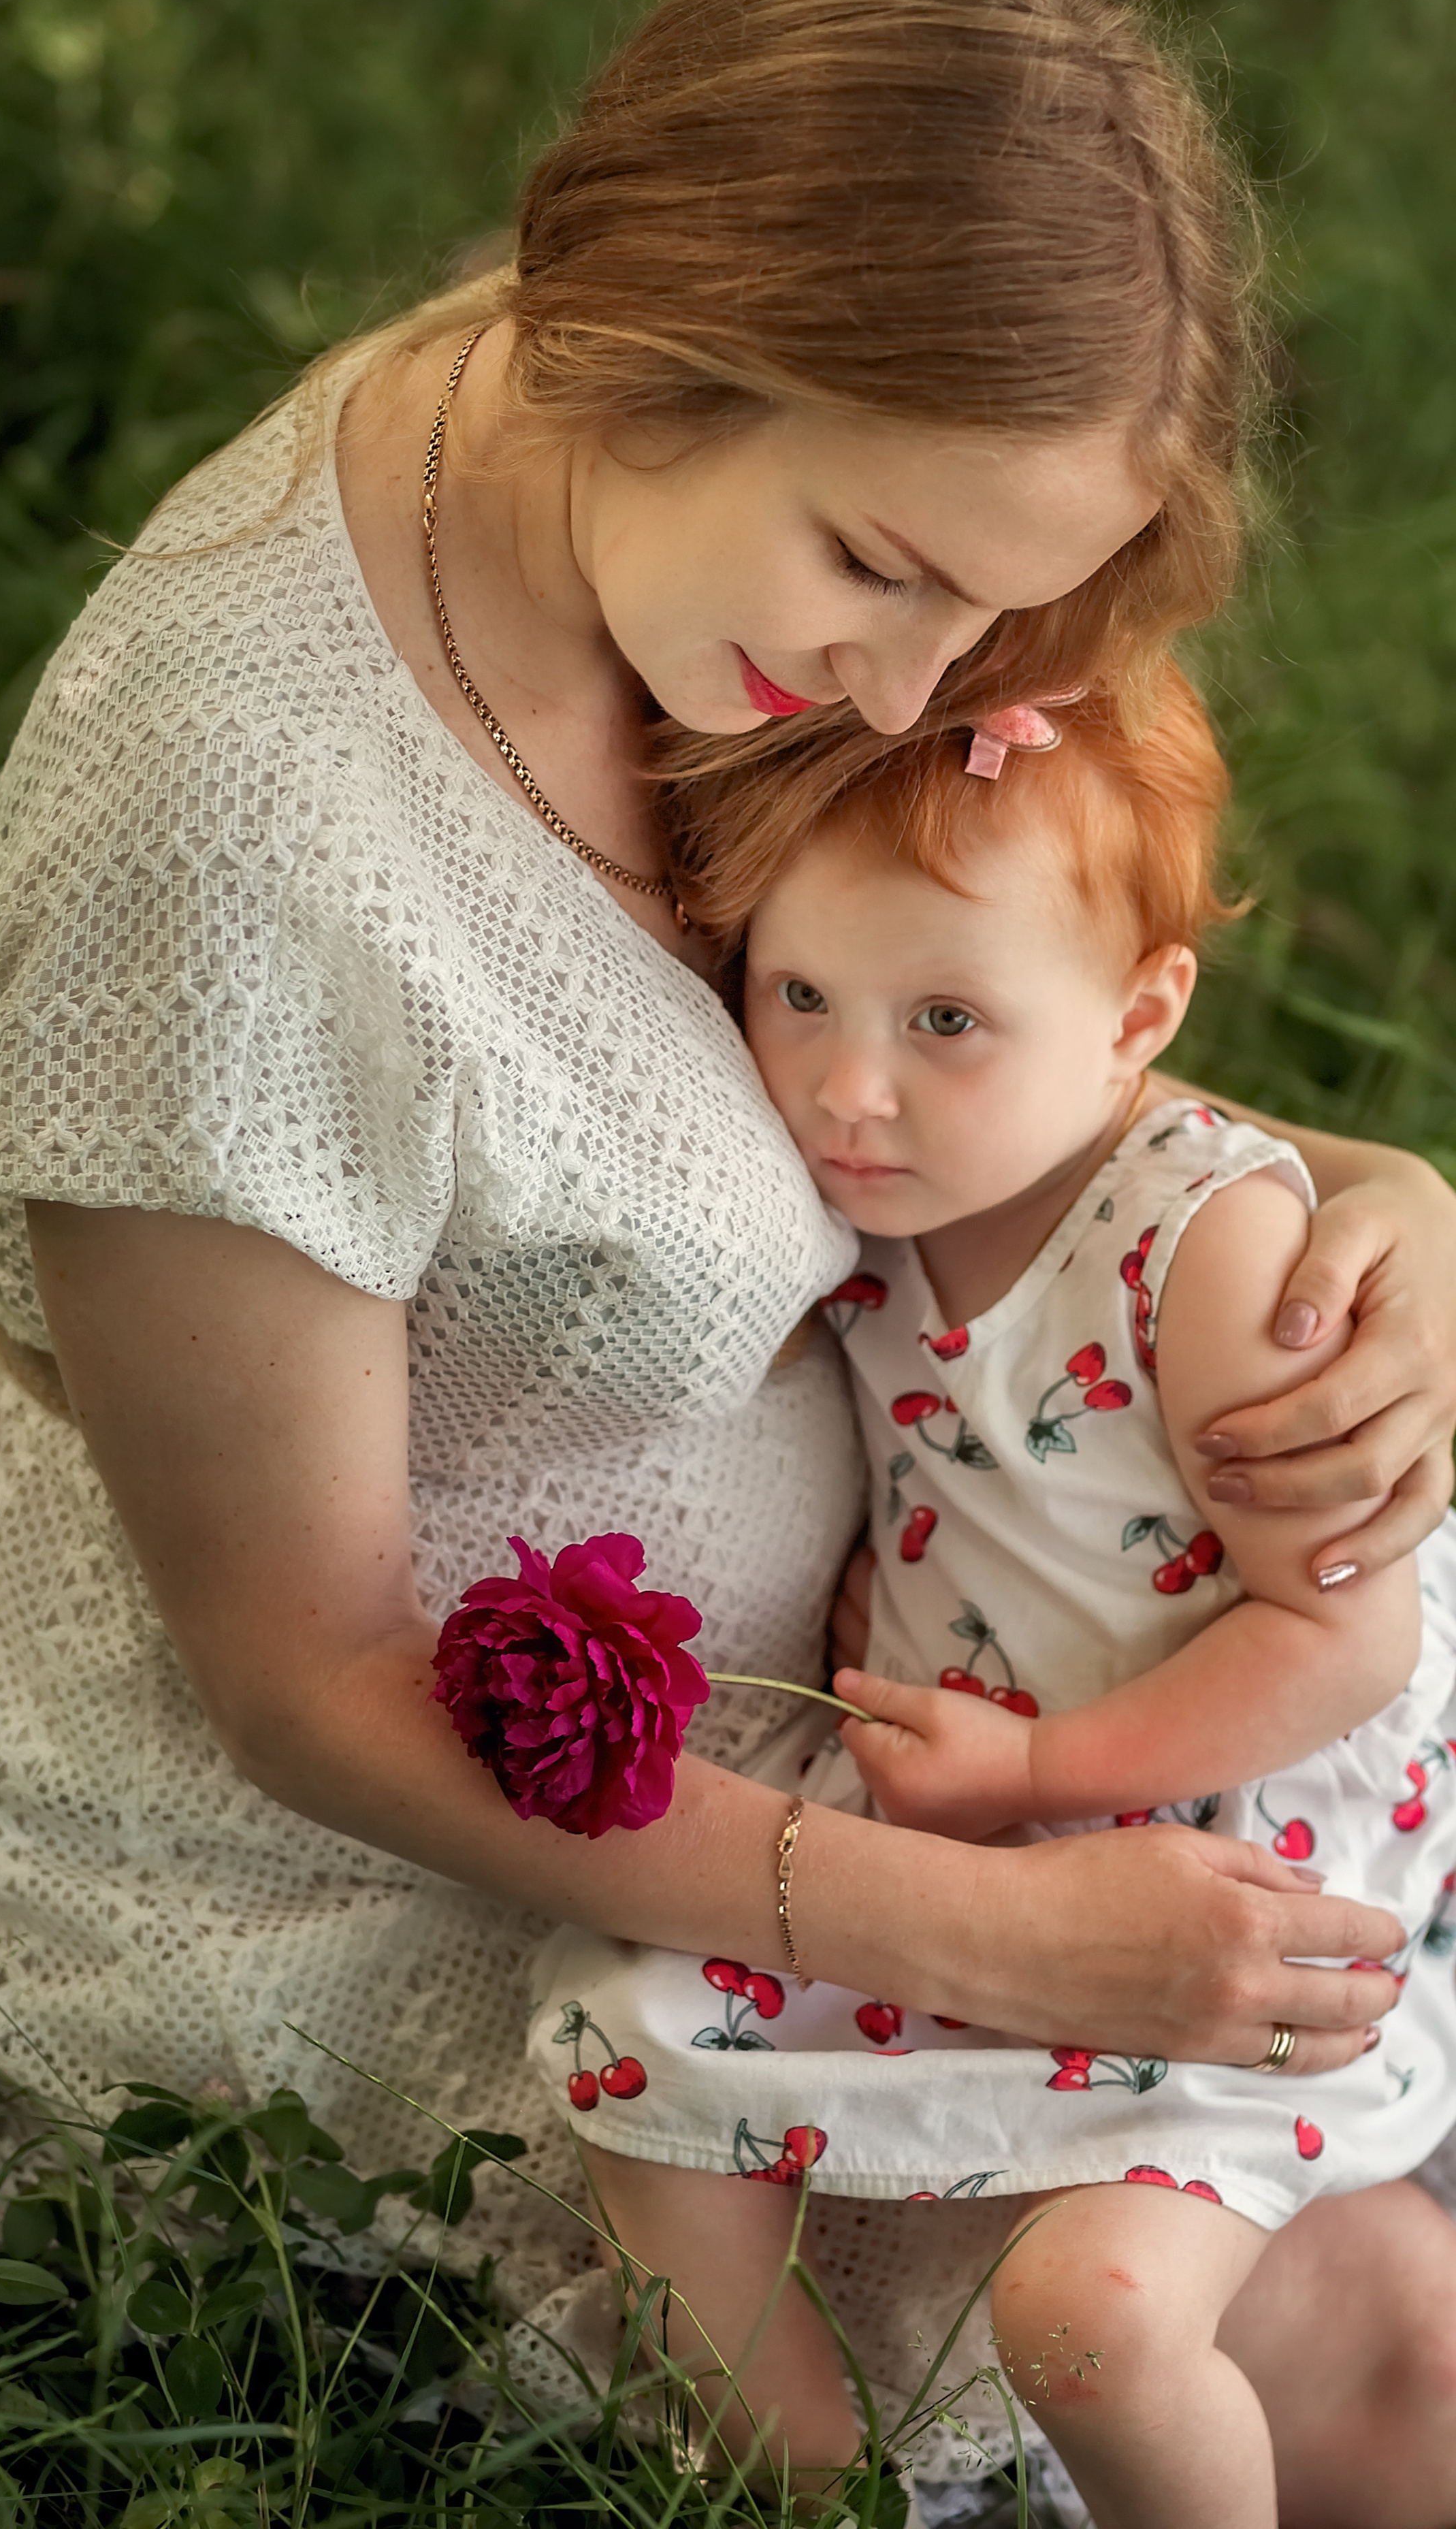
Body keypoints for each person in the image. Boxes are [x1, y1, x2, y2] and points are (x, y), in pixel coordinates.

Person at [0, 0, 1456, 2517]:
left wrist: (1367, 1194)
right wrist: (973, 1932)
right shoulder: (239, 847)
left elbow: (946, 981)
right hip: (361, 1825)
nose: (912, 697)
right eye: (885, 566)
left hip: (956, 1613)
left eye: (983, 615)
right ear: (651, 333)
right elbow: (305, 1679)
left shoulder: (638, 507)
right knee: (1352, 2330)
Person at [530, 669, 1456, 2522]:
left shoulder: (1207, 1249)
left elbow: (1347, 1634)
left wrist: (1044, 1768)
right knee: (620, 2045)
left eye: (947, 1018)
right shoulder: (877, 1196)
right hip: (985, 1794)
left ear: (1139, 1021)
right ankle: (806, 2482)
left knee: (1092, 2328)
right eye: (801, 997)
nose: (849, 1088)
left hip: (1237, 1853)